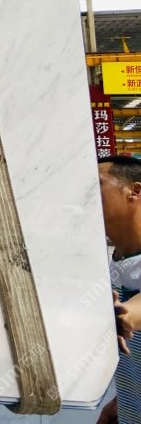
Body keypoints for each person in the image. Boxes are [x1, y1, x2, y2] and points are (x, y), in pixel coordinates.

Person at [96, 155, 141, 423]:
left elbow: (130, 313)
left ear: (134, 191)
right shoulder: (113, 262)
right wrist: (119, 403)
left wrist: (116, 316)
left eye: (97, 184)